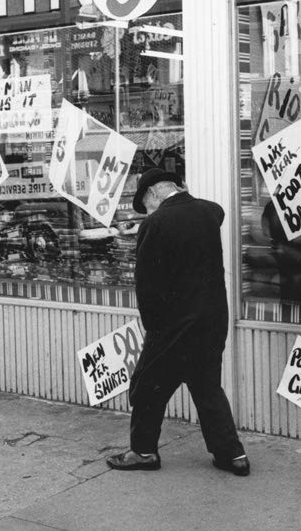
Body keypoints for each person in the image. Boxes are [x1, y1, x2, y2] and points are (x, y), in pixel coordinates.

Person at [106, 168, 249, 476]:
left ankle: (143, 452)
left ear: (152, 195)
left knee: (147, 386)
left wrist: (153, 327)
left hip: (174, 326)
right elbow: (215, 211)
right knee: (207, 386)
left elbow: (147, 285)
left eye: (146, 206)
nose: (148, 212)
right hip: (212, 321)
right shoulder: (209, 212)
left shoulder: (155, 224)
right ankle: (233, 456)